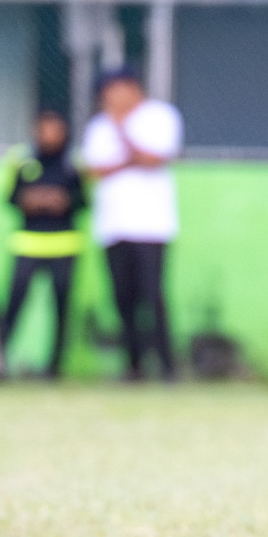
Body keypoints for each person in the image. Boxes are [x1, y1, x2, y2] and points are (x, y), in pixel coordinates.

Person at [80, 68, 183, 381]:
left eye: (114, 90)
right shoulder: (98, 126)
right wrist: (128, 161)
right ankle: (134, 365)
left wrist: (123, 132)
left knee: (152, 295)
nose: (109, 98)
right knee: (122, 297)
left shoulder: (159, 117)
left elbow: (155, 159)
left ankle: (166, 365)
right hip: (112, 225)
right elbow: (93, 171)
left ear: (133, 88)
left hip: (152, 225)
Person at [0, 109, 86, 378]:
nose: (49, 134)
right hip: (28, 245)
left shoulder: (74, 163)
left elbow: (84, 201)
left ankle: (55, 366)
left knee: (61, 307)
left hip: (64, 245)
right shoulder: (21, 161)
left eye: (55, 128)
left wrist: (63, 201)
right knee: (14, 304)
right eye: (43, 128)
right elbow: (9, 197)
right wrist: (32, 200)